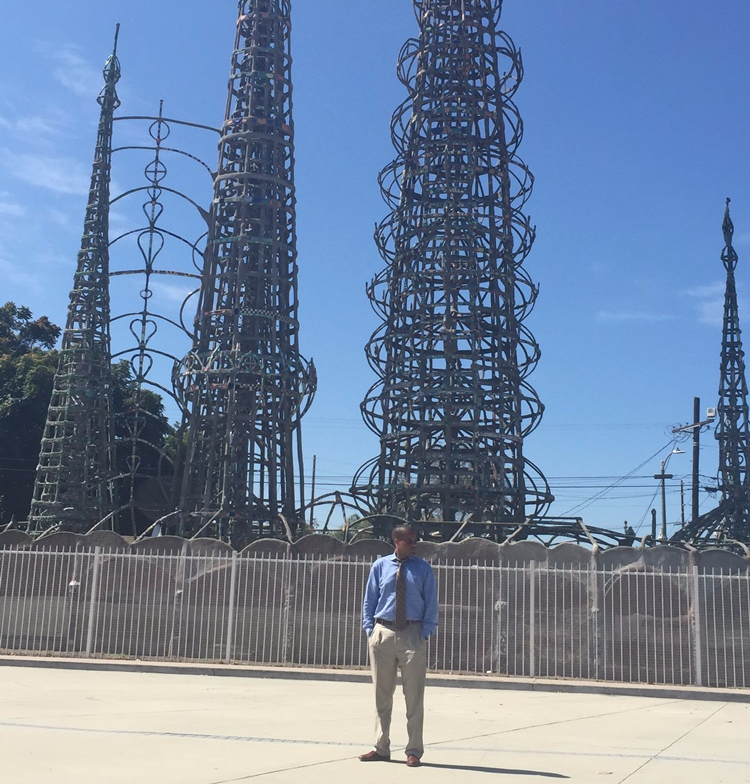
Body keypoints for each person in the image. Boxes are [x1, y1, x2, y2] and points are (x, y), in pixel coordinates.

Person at [359, 524, 439, 768]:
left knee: (413, 696)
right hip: (383, 633)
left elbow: (431, 603)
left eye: (416, 540)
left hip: (412, 634)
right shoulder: (380, 566)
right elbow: (370, 599)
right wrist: (370, 630)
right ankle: (380, 747)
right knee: (381, 696)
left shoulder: (423, 569)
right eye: (410, 541)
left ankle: (414, 750)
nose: (415, 544)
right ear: (396, 541)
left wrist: (424, 633)